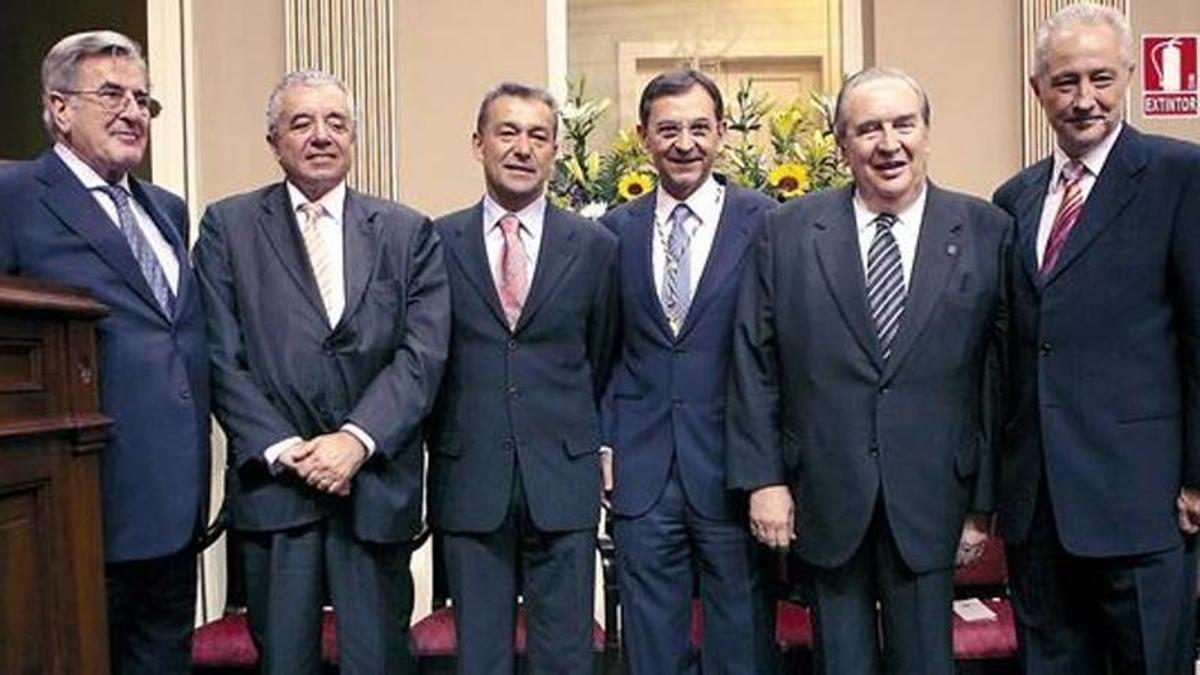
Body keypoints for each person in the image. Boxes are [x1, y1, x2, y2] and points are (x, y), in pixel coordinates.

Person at [727, 67, 1010, 675]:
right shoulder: (787, 231)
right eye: (868, 129)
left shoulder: (986, 230)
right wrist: (763, 481)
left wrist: (982, 505)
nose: (889, 144)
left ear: (926, 131)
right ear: (842, 143)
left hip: (935, 498)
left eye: (904, 125)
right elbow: (755, 361)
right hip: (824, 493)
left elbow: (995, 377)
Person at [193, 69, 450, 675]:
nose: (321, 136)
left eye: (336, 122)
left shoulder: (407, 232)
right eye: (301, 122)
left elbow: (423, 354)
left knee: (379, 662)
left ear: (353, 138)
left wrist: (355, 441)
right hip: (277, 491)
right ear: (274, 141)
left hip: (373, 487)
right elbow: (218, 356)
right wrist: (288, 451)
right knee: (285, 661)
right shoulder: (228, 227)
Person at [992, 5, 1200, 673]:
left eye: (1101, 78)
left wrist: (1198, 478)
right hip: (1039, 510)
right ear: (1038, 90)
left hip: (1142, 501)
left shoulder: (1180, 175)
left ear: (1129, 76)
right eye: (1066, 82)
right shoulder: (1015, 198)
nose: (1085, 99)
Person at [0, 30, 210, 674]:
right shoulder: (13, 194)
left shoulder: (166, 208)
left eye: (143, 99)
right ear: (59, 108)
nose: (132, 112)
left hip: (174, 504)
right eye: (112, 94)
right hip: (76, 505)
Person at [426, 82, 618, 675]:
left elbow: (602, 354)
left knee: (565, 656)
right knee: (480, 656)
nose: (522, 148)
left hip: (562, 475)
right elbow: (427, 359)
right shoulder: (436, 241)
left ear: (555, 150)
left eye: (538, 135)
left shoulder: (595, 246)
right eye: (507, 132)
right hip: (470, 476)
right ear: (478, 143)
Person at [599, 68, 777, 674]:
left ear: (722, 133)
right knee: (651, 646)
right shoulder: (612, 233)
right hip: (641, 470)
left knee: (741, 642)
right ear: (644, 137)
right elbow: (602, 350)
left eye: (699, 128)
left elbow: (780, 353)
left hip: (734, 468)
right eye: (668, 129)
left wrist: (772, 469)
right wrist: (605, 441)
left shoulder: (768, 223)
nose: (685, 143)